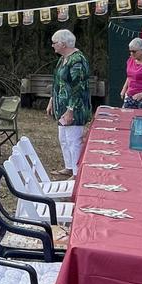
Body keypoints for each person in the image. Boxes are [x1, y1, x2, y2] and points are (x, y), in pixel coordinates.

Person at [46, 29, 92, 179]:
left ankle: (77, 172)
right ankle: (69, 167)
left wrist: (70, 110)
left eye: (54, 43)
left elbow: (78, 87)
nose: (53, 46)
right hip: (62, 105)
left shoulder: (77, 60)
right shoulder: (63, 59)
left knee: (74, 140)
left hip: (75, 108)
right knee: (64, 138)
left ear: (63, 43)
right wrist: (52, 100)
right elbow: (58, 82)